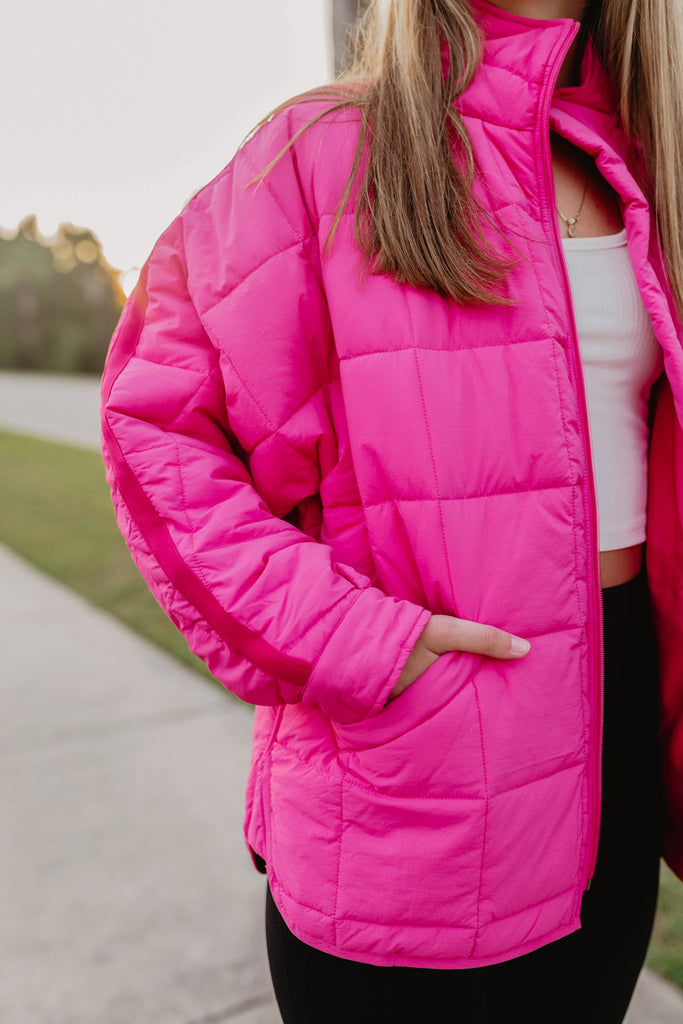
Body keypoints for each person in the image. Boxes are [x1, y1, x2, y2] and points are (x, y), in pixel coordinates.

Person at [101, 0, 683, 1020]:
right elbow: (159, 431)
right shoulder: (317, 151)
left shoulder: (639, 157)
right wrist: (356, 641)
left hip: (613, 741)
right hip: (409, 774)